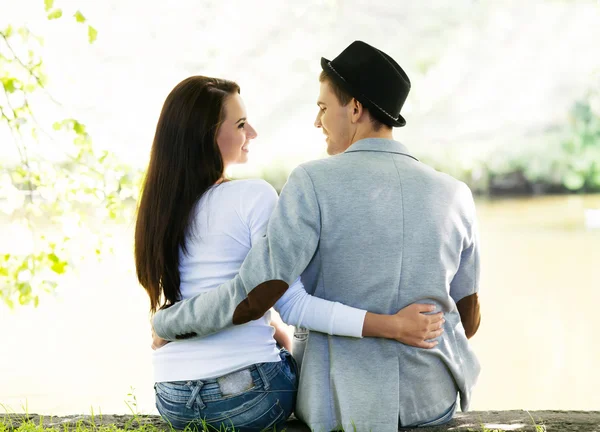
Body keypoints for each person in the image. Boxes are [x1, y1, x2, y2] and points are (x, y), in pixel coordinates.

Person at [152, 40, 482, 432]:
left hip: (336, 405)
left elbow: (259, 293)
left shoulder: (311, 181)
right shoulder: (455, 193)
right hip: (430, 400)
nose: (316, 121)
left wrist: (166, 323)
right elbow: (468, 316)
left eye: (323, 108)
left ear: (355, 109)